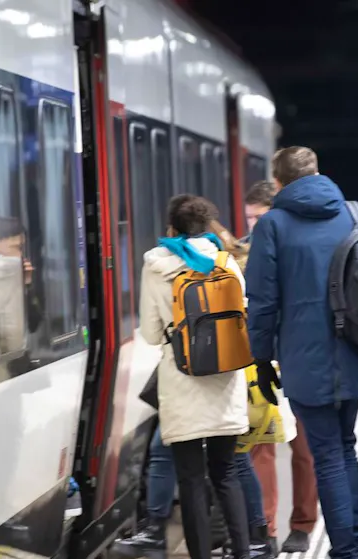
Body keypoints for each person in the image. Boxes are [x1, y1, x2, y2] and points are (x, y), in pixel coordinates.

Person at [246, 146, 358, 559]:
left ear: (280, 183)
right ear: (319, 172)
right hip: (355, 352)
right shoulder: (356, 215)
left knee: (328, 456)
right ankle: (353, 543)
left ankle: (347, 552)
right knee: (343, 446)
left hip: (305, 358)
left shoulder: (273, 226)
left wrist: (261, 358)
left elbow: (263, 301)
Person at [138, 195, 250, 559]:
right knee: (226, 472)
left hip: (182, 381)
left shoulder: (156, 267)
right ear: (207, 228)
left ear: (171, 228)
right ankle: (243, 552)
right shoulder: (227, 263)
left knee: (189, 479)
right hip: (225, 380)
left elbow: (152, 335)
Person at [241, 180, 319, 554]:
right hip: (260, 361)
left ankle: (303, 524)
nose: (253, 225)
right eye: (249, 217)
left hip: (297, 358)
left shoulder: (296, 250)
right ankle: (266, 529)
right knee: (261, 445)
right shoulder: (245, 251)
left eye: (259, 217)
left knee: (304, 448)